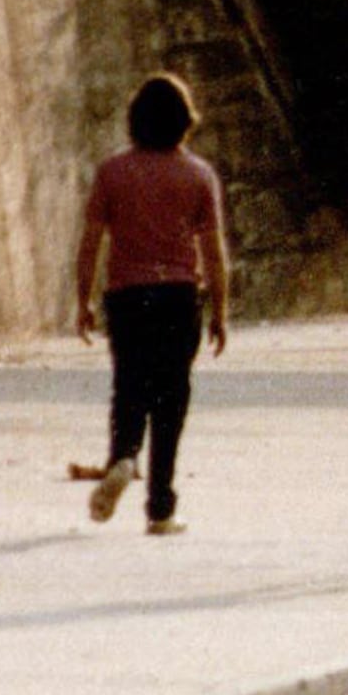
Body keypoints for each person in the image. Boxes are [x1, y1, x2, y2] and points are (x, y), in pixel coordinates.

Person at [75, 75, 230, 534]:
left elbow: (91, 243)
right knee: (171, 398)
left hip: (126, 296)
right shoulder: (199, 175)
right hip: (179, 297)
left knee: (128, 386)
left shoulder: (112, 172)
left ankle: (123, 456)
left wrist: (82, 301)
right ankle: (160, 507)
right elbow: (214, 253)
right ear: (187, 121)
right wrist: (220, 311)